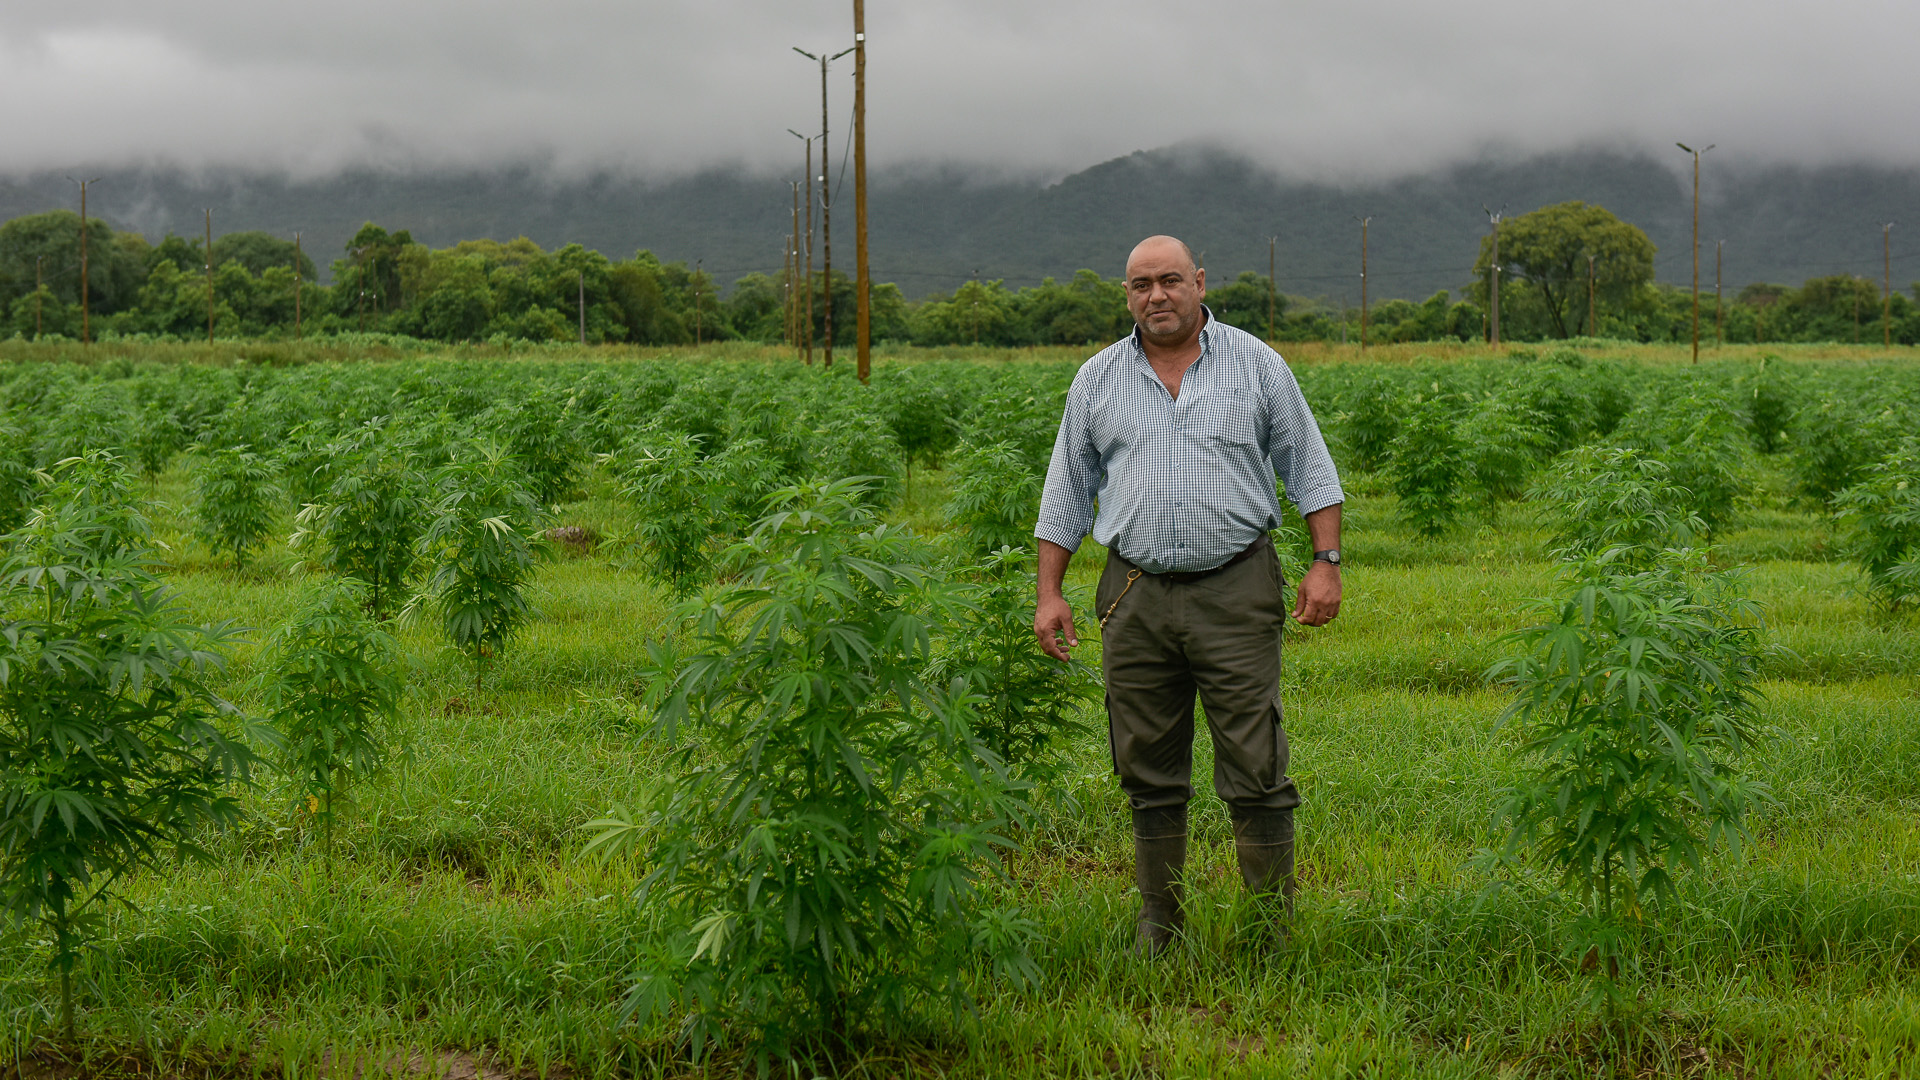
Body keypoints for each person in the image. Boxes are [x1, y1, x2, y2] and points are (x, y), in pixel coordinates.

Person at [1032, 235, 1345, 956]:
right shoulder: (1098, 379)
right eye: (1141, 285)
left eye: (1170, 281)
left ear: (1199, 283)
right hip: (1135, 593)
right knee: (1146, 760)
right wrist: (1050, 591)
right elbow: (1066, 494)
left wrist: (1325, 562)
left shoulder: (1257, 364)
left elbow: (1310, 467)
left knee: (1255, 758)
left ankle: (1270, 930)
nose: (1157, 297)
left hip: (1236, 587)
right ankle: (1159, 927)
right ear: (1128, 295)